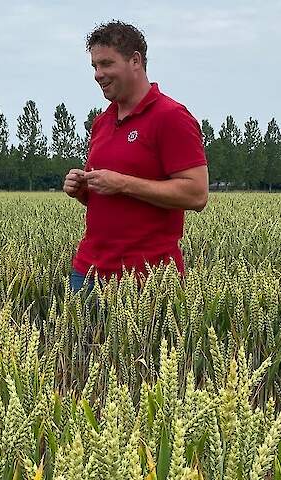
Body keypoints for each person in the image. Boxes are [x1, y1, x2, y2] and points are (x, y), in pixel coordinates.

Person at [64, 21, 209, 292]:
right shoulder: (101, 122)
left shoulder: (171, 117)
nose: (98, 74)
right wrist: (82, 190)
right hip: (87, 274)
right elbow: (109, 199)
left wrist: (122, 183)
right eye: (94, 66)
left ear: (135, 61)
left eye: (106, 64)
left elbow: (197, 195)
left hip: (148, 280)